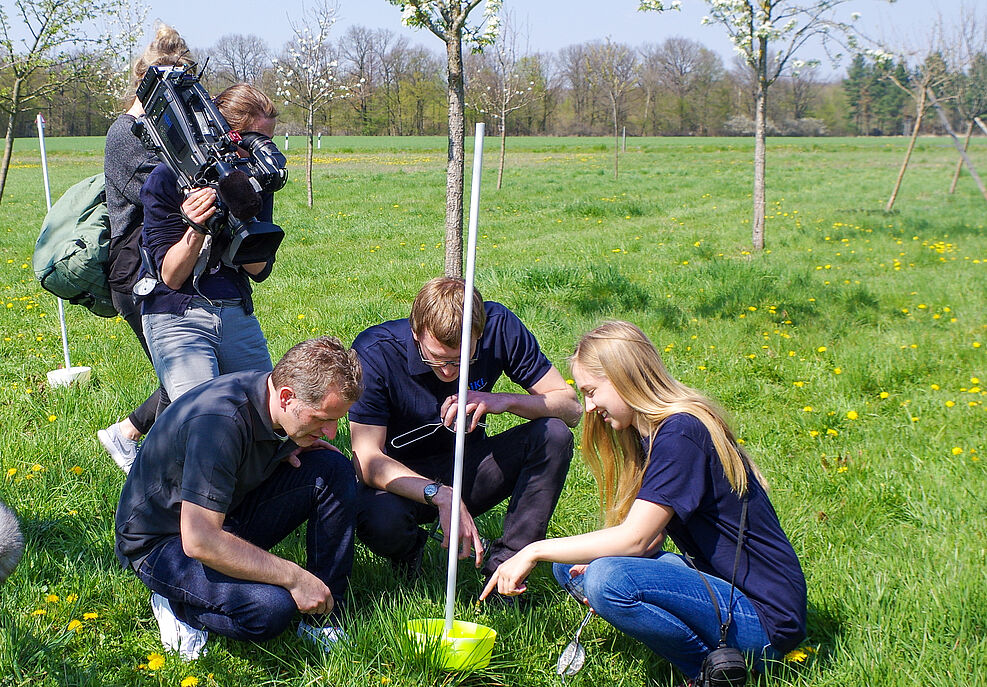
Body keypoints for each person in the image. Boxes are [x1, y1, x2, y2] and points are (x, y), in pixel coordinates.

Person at [481, 321, 807, 683]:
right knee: (573, 566)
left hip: (765, 619)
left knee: (608, 579)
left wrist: (532, 550)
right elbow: (651, 538)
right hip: (722, 590)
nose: (588, 407)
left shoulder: (681, 433)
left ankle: (709, 672)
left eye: (592, 391)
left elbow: (636, 538)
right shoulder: (652, 433)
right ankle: (712, 659)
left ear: (624, 378)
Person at [114, 336, 363, 660]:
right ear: (287, 397)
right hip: (162, 543)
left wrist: (289, 443)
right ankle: (177, 602)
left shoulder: (272, 401)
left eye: (335, 421)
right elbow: (200, 540)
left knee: (332, 467)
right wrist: (294, 577)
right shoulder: (219, 423)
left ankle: (324, 618)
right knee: (271, 609)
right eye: (322, 418)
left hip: (223, 513)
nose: (331, 431)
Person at [348, 277, 582, 588]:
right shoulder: (375, 352)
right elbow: (366, 460)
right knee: (380, 521)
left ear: (479, 335)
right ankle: (409, 551)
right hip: (398, 482)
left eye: (461, 359)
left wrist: (503, 400)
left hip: (468, 466)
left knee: (554, 434)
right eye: (436, 358)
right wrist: (441, 495)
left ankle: (506, 568)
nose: (448, 371)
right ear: (415, 333)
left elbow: (571, 409)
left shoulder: (499, 326)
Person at [139, 82, 281, 403]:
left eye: (266, 142)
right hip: (176, 312)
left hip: (234, 308)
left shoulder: (256, 180)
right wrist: (197, 225)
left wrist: (244, 211)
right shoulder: (166, 178)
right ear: (226, 137)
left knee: (263, 413)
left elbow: (259, 269)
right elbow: (172, 277)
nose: (259, 152)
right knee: (205, 414)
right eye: (252, 142)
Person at [98, 24, 194, 473]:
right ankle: (146, 454)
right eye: (170, 82)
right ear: (148, 82)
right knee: (184, 378)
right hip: (135, 269)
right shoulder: (125, 134)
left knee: (190, 375)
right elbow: (171, 190)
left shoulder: (163, 131)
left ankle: (130, 437)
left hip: (165, 265)